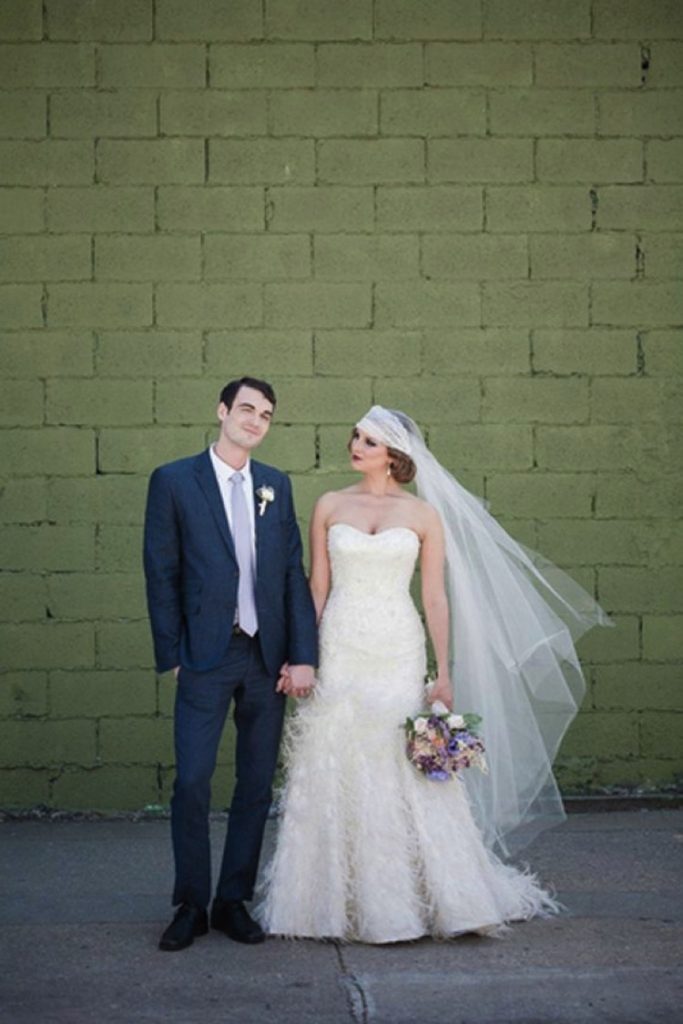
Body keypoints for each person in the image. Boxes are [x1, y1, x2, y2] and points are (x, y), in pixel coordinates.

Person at [258, 405, 609, 943]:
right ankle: (331, 903)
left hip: (398, 645)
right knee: (336, 754)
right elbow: (316, 589)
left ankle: (430, 898)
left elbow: (434, 596)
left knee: (404, 763)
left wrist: (442, 672)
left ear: (395, 456)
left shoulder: (423, 516)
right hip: (341, 645)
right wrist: (302, 653)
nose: (356, 445)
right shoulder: (328, 505)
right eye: (355, 436)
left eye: (369, 441)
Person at [143, 377, 317, 952]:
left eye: (266, 414)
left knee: (254, 784)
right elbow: (160, 570)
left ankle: (231, 900)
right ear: (222, 411)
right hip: (205, 655)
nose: (255, 420)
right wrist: (172, 655)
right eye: (246, 408)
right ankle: (191, 903)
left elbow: (292, 573)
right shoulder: (173, 481)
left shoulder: (276, 485)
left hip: (266, 656)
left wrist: (302, 655)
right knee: (192, 780)